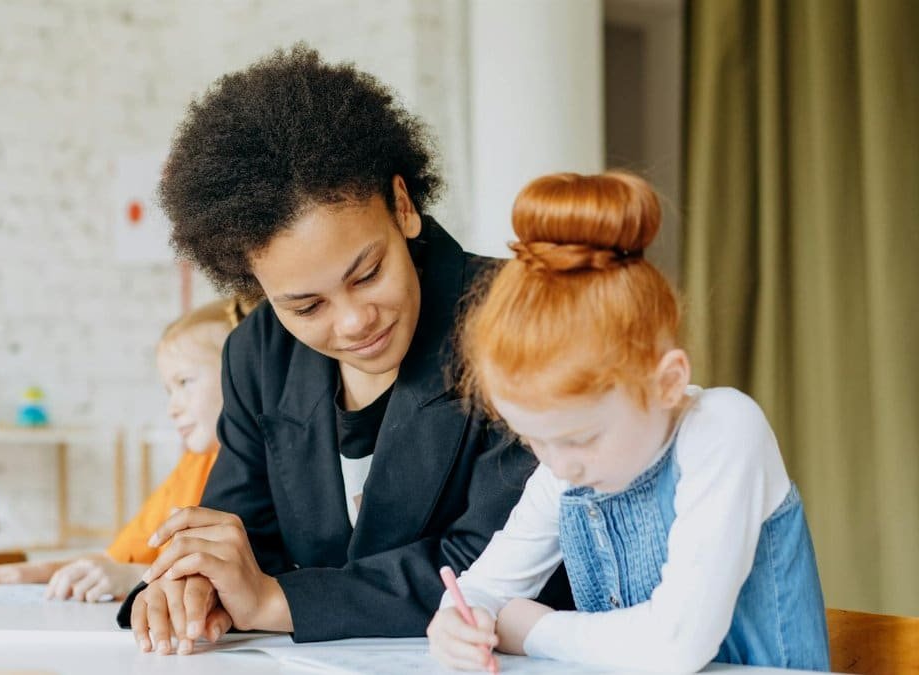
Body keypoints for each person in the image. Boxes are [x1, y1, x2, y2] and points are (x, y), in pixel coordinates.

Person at [121, 44, 573, 656]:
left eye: (368, 273)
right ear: (258, 290)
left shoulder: (523, 317)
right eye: (306, 306)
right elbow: (239, 536)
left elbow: (498, 562)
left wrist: (276, 601)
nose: (356, 321)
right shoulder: (257, 354)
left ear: (404, 206)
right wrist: (192, 585)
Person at [426, 172, 828, 672]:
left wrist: (532, 629)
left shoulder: (723, 430)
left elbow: (675, 645)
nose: (560, 465)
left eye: (581, 438)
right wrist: (456, 620)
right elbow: (485, 586)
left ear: (668, 382)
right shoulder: (563, 469)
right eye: (535, 441)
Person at [0, 298, 243, 601]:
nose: (172, 408)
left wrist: (135, 579)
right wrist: (33, 574)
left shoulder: (258, 473)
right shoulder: (193, 465)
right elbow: (120, 559)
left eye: (185, 382)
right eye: (169, 390)